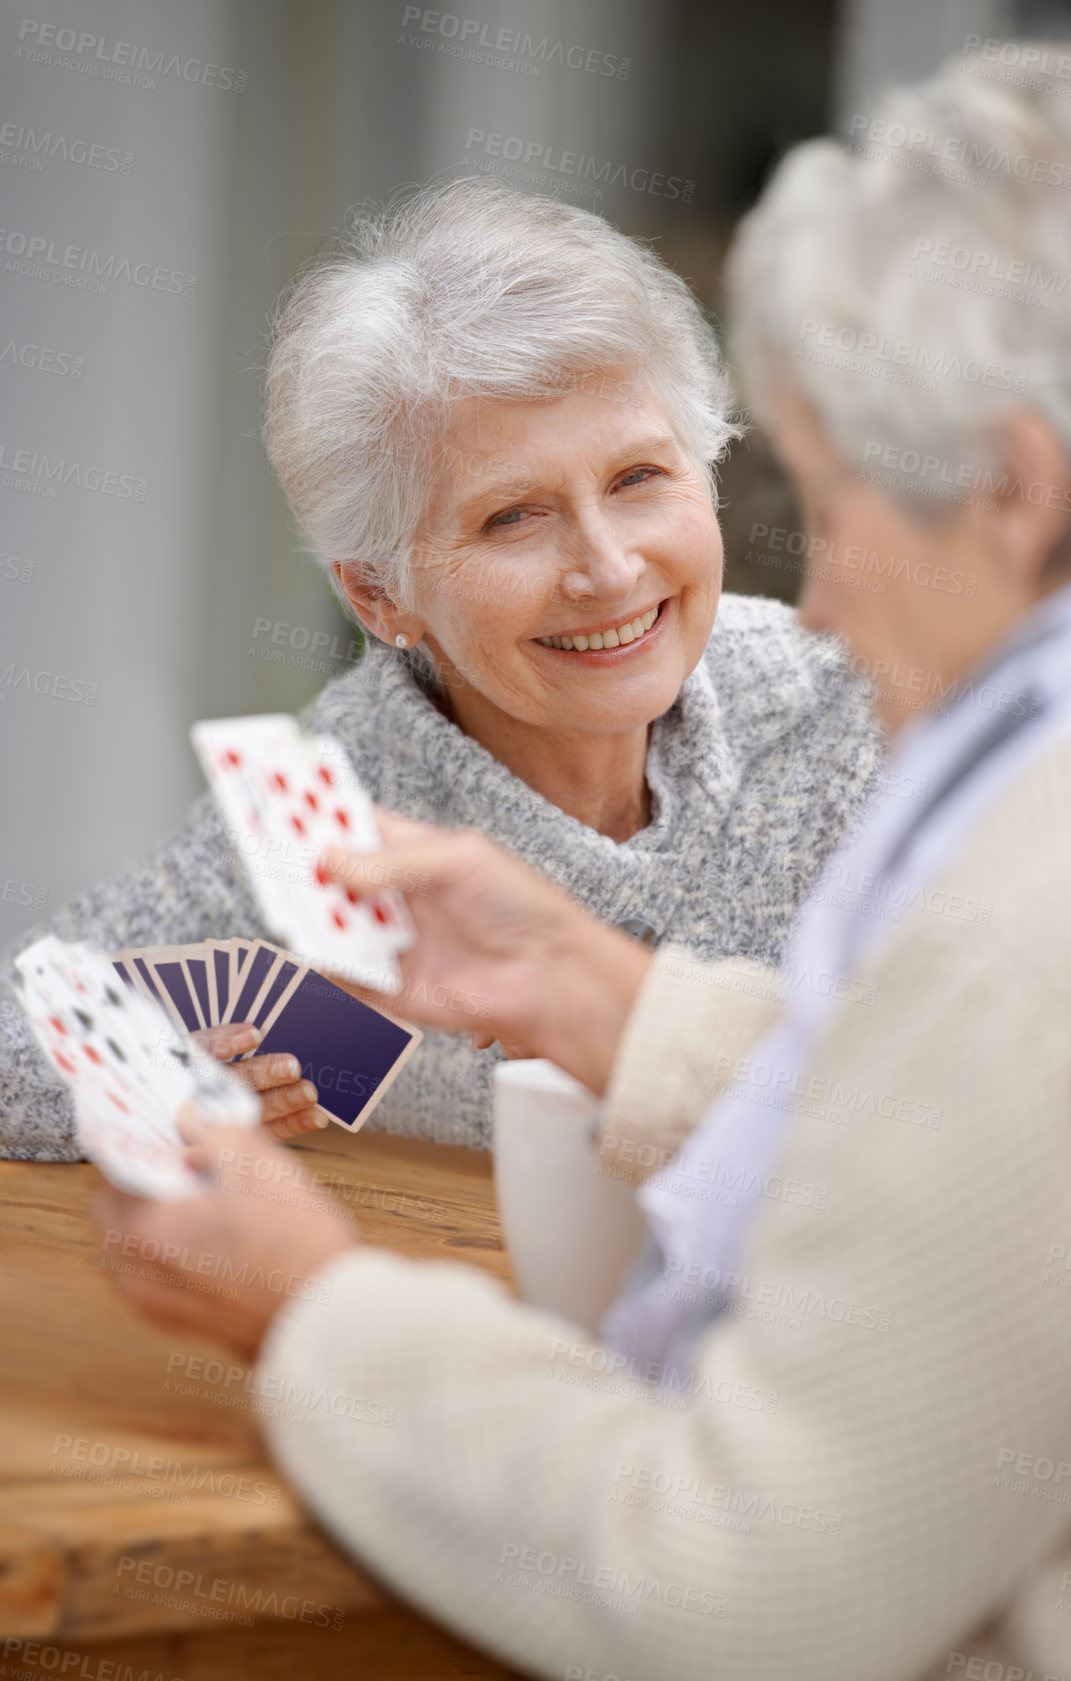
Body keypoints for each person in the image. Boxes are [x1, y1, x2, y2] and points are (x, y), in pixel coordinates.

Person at [94, 36, 1071, 1681]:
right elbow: (968, 1135)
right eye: (511, 519)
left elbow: (731, 1601)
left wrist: (313, 1302)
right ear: (381, 594)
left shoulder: (1034, 910)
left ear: (1014, 494)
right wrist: (619, 1008)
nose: (804, 600)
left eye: (822, 505)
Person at [0, 176, 878, 1157]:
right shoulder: (333, 804)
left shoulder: (847, 702)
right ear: (379, 594)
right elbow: (15, 1037)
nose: (609, 567)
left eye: (638, 478)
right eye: (513, 517)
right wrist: (155, 1081)